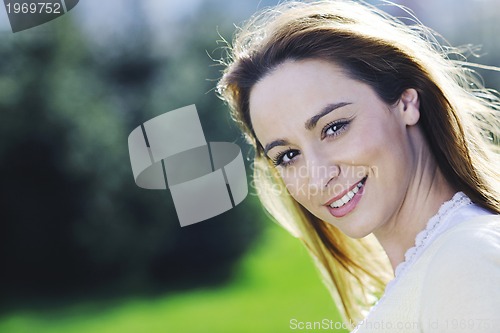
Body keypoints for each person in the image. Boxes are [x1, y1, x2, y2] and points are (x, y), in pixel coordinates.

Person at [217, 0, 500, 332]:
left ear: (406, 103)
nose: (319, 177)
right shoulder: (433, 270)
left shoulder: (465, 260)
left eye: (334, 128)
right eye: (288, 156)